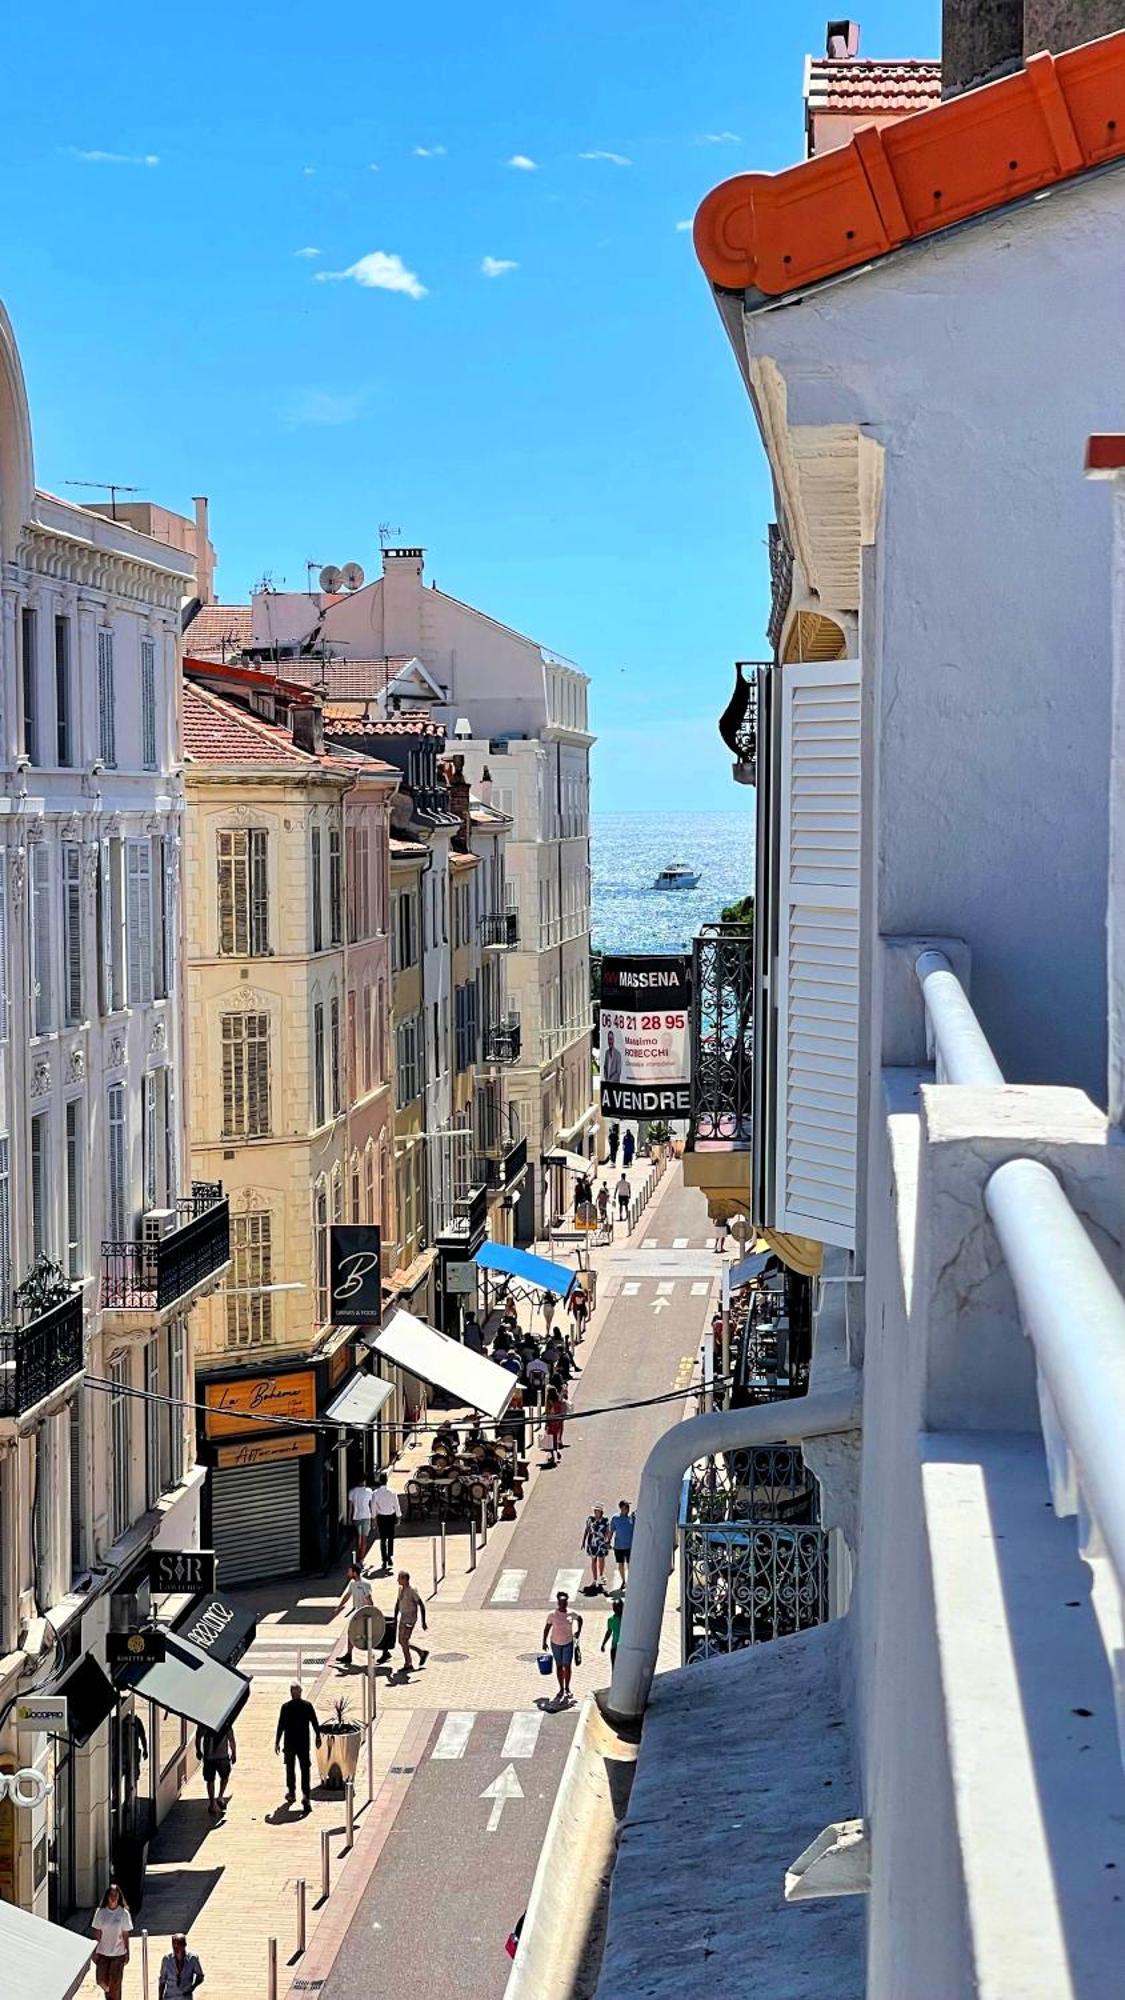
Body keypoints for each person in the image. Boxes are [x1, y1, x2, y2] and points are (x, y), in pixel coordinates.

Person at [274, 1683, 322, 1810]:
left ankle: (291, 1793)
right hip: (303, 1744)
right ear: (300, 1692)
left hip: (290, 1744)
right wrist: (318, 1736)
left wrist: (277, 1741)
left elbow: (281, 1726)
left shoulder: (286, 1707)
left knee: (290, 1768)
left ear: (291, 1693)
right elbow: (315, 1722)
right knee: (305, 1769)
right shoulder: (307, 1706)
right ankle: (306, 1795)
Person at [91, 1882, 132, 1999]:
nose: (113, 1898)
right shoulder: (100, 1912)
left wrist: (127, 1952)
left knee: (115, 1985)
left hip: (118, 1954)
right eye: (111, 1895)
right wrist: (95, 1951)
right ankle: (109, 1991)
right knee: (101, 1980)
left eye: (116, 1895)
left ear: (119, 1897)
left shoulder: (123, 1913)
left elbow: (125, 1934)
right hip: (103, 1953)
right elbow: (97, 1932)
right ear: (107, 1897)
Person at [542, 1590, 583, 1706]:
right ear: (558, 1603)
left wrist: (578, 1631)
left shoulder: (571, 1614)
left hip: (568, 1643)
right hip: (555, 1643)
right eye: (561, 1602)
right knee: (559, 1666)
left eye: (565, 1602)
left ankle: (567, 1688)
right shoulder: (552, 1615)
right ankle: (561, 1688)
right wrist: (544, 1642)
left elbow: (580, 1619)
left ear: (567, 1603)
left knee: (567, 1666)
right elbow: (547, 1628)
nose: (563, 1604)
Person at [194, 1719, 236, 1818]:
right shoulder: (207, 1723)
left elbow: (231, 1739)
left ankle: (217, 1799)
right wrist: (198, 1751)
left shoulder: (222, 1723)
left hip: (216, 1756)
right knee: (215, 1779)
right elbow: (198, 1737)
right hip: (215, 1757)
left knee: (217, 1778)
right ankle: (215, 1800)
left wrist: (234, 1752)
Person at [338, 1563, 373, 1669]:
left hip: (364, 1614)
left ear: (354, 1572)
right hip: (357, 1613)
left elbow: (370, 1600)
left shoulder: (365, 1584)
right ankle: (348, 1655)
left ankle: (384, 1652)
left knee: (368, 1636)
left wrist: (369, 1612)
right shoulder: (352, 1584)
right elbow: (347, 1595)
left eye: (349, 1571)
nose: (347, 1573)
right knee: (350, 1632)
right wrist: (339, 1607)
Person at [395, 1570, 428, 1675]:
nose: (397, 1580)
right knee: (401, 1641)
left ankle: (408, 1663)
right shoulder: (400, 1590)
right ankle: (420, 1652)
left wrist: (423, 1622)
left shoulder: (412, 1591)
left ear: (405, 1579)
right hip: (403, 1618)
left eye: (399, 1578)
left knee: (404, 1640)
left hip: (410, 1619)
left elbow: (421, 1605)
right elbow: (397, 1603)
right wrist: (395, 1617)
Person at [158, 1934, 205, 1999]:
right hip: (170, 1997)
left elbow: (200, 1976)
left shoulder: (193, 1959)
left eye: (178, 1945)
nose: (176, 1948)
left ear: (185, 1945)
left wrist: (192, 1987)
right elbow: (162, 1981)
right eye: (174, 1945)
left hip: (185, 1997)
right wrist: (160, 1997)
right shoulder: (167, 1960)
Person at [371, 1472, 401, 1571]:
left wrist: (374, 1519)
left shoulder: (375, 1493)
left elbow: (373, 1507)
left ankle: (384, 1559)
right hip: (390, 1517)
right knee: (391, 1537)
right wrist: (398, 1516)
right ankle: (389, 1556)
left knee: (383, 1539)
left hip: (381, 1518)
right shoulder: (392, 1492)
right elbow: (396, 1505)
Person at [582, 1504, 612, 1592]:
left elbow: (608, 1531)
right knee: (593, 1560)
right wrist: (583, 1541)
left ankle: (601, 1575)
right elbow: (587, 1530)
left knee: (601, 1559)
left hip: (601, 1543)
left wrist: (608, 1541)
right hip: (592, 1543)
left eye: (597, 1511)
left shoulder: (605, 1521)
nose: (596, 1512)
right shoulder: (590, 1519)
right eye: (595, 1511)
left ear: (601, 1512)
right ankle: (594, 1579)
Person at [347, 1474, 374, 1562]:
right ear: (364, 1481)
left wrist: (349, 1518)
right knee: (364, 1538)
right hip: (366, 1516)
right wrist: (373, 1518)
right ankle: (361, 1558)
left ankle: (357, 1555)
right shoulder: (369, 1491)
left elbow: (350, 1507)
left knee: (358, 1538)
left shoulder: (352, 1492)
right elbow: (370, 1506)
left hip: (356, 1517)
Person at [610, 1500, 635, 1584]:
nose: (627, 1509)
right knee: (620, 1564)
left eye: (628, 1507)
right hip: (619, 1546)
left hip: (630, 1546)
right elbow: (611, 1531)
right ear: (621, 1508)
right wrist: (608, 1541)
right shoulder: (615, 1518)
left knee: (630, 1564)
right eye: (625, 1507)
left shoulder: (632, 1518)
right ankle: (623, 1581)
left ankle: (631, 1581)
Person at [601, 1597, 624, 1672]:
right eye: (614, 1608)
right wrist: (603, 1644)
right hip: (614, 1647)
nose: (616, 1610)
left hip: (624, 1647)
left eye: (618, 1607)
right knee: (614, 1668)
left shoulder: (626, 1619)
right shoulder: (611, 1620)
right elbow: (609, 1632)